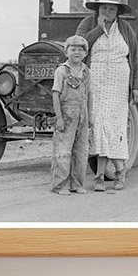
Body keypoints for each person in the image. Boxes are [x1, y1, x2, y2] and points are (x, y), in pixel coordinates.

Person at [75, 0, 138, 192]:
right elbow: (79, 46)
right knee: (98, 126)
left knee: (117, 128)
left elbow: (135, 59)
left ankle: (118, 173)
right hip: (95, 84)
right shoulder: (88, 23)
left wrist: (136, 86)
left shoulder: (125, 29)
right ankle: (101, 176)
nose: (107, 12)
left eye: (111, 9)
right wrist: (98, 28)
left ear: (118, 11)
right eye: (104, 8)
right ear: (98, 9)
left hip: (119, 84)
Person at [50, 35, 92, 195]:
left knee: (81, 151)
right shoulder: (61, 71)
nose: (76, 52)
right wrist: (59, 118)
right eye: (73, 49)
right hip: (66, 114)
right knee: (63, 151)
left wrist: (90, 116)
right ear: (66, 52)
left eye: (80, 50)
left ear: (85, 53)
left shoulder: (87, 72)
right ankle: (60, 185)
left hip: (83, 115)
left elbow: (90, 95)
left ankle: (76, 184)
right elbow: (55, 95)